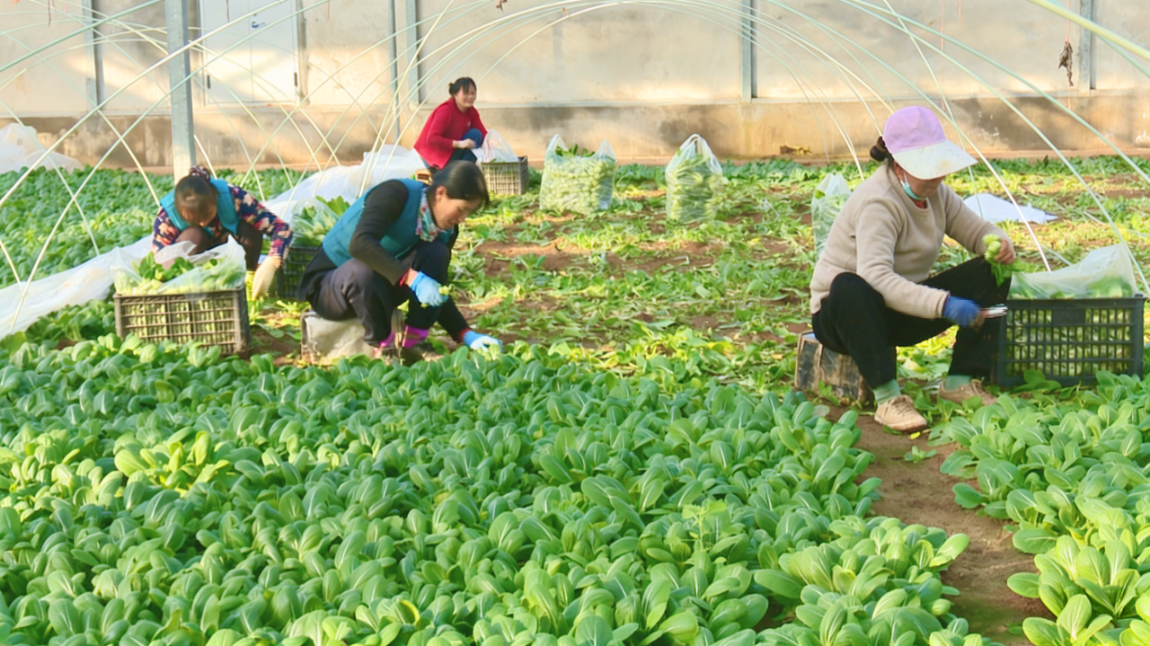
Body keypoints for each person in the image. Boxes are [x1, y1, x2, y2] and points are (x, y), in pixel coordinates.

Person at [808, 106, 1016, 433]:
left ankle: (960, 381)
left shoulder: (937, 195)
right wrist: (944, 304)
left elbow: (976, 231)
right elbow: (876, 278)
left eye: (939, 166)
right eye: (927, 168)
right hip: (847, 316)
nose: (937, 175)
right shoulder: (879, 202)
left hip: (897, 311)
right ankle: (888, 398)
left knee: (990, 271)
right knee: (850, 285)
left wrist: (998, 242)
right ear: (900, 165)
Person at [297, 161, 502, 365]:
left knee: (436, 253)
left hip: (376, 290)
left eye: (469, 212)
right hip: (331, 289)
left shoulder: (445, 229)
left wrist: (464, 333)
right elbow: (359, 244)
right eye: (461, 209)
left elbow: (434, 290)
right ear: (440, 193)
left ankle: (414, 343)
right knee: (362, 269)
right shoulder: (396, 194)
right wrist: (412, 278)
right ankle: (383, 346)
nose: (463, 219)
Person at [152, 166, 293, 300]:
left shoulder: (234, 197)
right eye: (194, 220)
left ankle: (247, 283)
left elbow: (281, 228)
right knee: (194, 235)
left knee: (251, 228)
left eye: (206, 214)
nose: (203, 224)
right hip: (195, 271)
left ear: (215, 198)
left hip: (234, 258)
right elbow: (160, 264)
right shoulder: (167, 217)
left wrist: (274, 259)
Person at [414, 77, 487, 173]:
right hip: (435, 156)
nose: (470, 97)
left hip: (451, 152)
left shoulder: (471, 111)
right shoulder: (445, 110)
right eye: (466, 93)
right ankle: (456, 173)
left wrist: (494, 143)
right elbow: (432, 139)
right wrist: (459, 144)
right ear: (455, 94)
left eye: (472, 93)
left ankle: (461, 172)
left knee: (477, 135)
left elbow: (482, 132)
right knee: (474, 135)